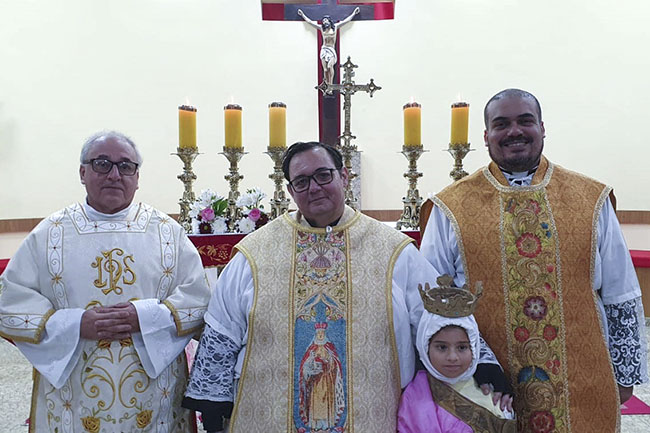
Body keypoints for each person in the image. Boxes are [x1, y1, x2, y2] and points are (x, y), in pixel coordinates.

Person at [420, 89, 648, 432]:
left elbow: (621, 292)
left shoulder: (590, 198)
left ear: (542, 127)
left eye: (525, 121)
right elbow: (436, 305)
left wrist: (626, 372)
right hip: (489, 384)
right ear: (486, 136)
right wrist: (470, 367)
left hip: (582, 381)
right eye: (501, 124)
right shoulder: (451, 207)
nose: (514, 131)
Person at [182, 141, 438, 432]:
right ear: (290, 191)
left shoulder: (394, 251)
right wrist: (213, 403)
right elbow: (222, 328)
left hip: (373, 416)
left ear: (344, 176)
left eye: (323, 175)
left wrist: (478, 364)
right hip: (269, 418)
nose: (314, 187)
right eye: (301, 181)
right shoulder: (255, 253)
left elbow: (437, 315)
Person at [0, 131, 211, 432]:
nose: (114, 174)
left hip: (154, 398)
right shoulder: (50, 234)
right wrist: (75, 324)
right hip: (74, 398)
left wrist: (144, 317)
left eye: (126, 166)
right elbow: (10, 305)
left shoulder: (167, 232)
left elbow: (198, 300)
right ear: (82, 172)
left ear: (137, 177)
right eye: (102, 164)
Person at [397, 276, 516, 433]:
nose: (452, 357)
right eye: (441, 347)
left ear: (474, 348)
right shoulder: (415, 400)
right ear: (425, 347)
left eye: (462, 348)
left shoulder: (490, 386)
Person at [298, 7, 360, 88]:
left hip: (331, 50)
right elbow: (310, 22)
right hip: (324, 50)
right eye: (323, 21)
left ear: (329, 20)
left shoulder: (336, 27)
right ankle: (327, 85)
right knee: (325, 69)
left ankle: (330, 85)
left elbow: (346, 21)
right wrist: (302, 15)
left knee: (330, 66)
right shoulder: (321, 29)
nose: (324, 22)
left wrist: (354, 13)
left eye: (325, 20)